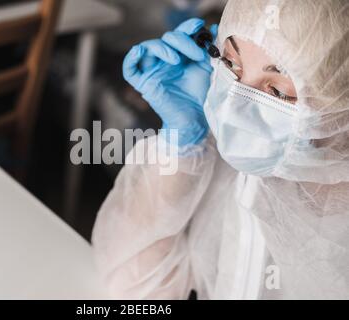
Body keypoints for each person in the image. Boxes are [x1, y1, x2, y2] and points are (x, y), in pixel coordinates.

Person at [92, 0, 349, 299]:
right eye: (231, 64)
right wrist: (183, 142)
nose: (235, 111)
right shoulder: (241, 172)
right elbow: (135, 286)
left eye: (277, 91)